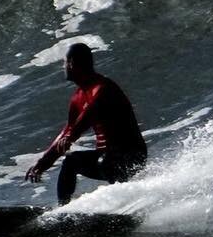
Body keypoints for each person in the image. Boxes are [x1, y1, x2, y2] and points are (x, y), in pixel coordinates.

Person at [25, 43, 147, 205]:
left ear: (72, 63)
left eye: (64, 62)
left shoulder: (103, 88)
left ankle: (125, 204)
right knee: (71, 161)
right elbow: (67, 131)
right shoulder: (78, 97)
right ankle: (63, 211)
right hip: (108, 157)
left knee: (106, 161)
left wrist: (70, 136)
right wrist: (43, 163)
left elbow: (89, 115)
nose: (63, 66)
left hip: (131, 155)